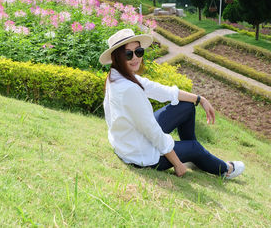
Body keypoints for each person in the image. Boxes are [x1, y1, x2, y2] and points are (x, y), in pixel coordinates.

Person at [100, 28, 244, 178]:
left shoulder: (119, 76)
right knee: (194, 147)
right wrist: (177, 163)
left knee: (187, 106)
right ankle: (225, 170)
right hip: (140, 154)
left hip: (132, 139)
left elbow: (158, 89)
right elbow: (152, 131)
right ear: (117, 58)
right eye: (128, 54)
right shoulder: (127, 88)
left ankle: (194, 157)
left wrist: (200, 99)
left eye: (139, 51)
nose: (135, 58)